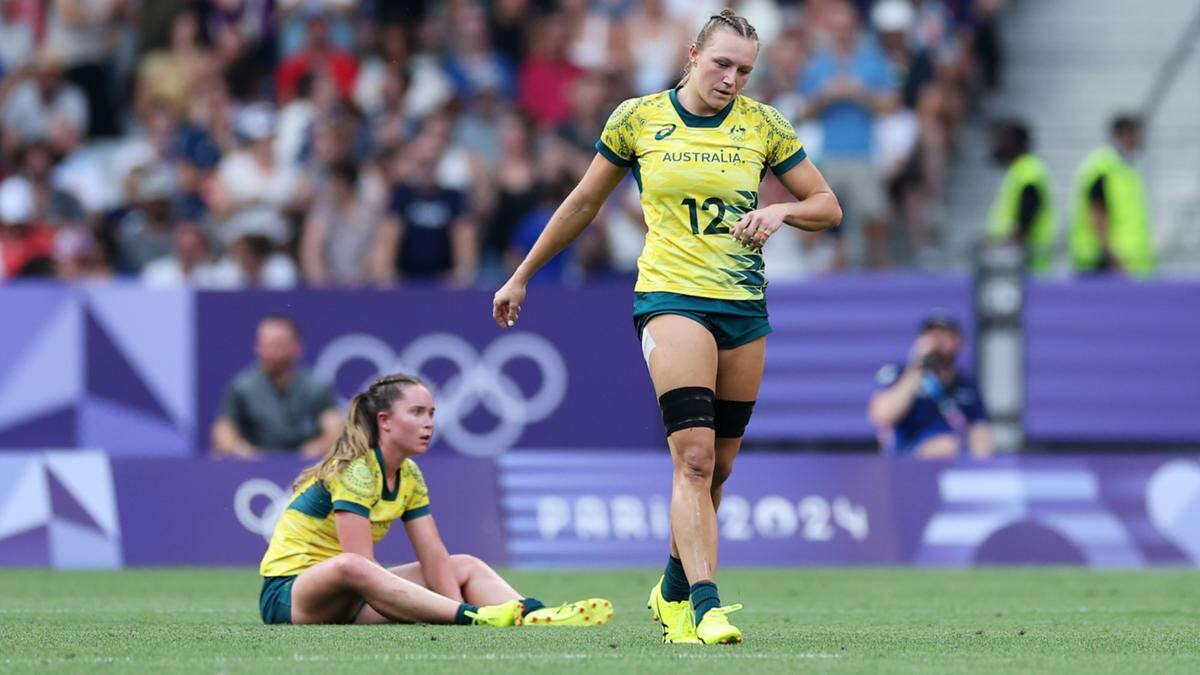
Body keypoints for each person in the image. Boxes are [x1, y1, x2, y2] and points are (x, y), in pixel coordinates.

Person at [492, 9, 841, 645]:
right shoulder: (637, 118)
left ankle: (673, 587)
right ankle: (704, 606)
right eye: (721, 64)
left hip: (742, 305)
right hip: (670, 297)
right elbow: (583, 203)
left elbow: (828, 206)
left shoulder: (764, 126)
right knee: (696, 457)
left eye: (743, 70)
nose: (731, 79)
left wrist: (783, 210)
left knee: (723, 467)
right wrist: (522, 275)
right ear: (691, 54)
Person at [258, 372, 612, 627]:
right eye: (416, 413)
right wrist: (451, 612)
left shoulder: (408, 473)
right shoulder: (358, 472)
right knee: (355, 565)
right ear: (385, 421)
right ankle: (472, 617)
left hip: (351, 600)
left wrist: (451, 601)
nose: (429, 424)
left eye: (431, 414)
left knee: (464, 565)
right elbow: (360, 568)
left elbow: (433, 556)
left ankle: (533, 615)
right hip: (291, 597)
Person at [868, 311, 993, 459]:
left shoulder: (967, 386)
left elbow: (980, 429)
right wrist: (917, 367)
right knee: (945, 446)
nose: (937, 342)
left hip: (954, 460)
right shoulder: (898, 374)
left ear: (958, 341)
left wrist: (980, 464)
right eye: (932, 335)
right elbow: (882, 415)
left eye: (944, 335)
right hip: (906, 461)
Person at [212, 316, 342, 458]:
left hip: (307, 469)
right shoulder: (242, 386)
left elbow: (335, 430)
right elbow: (223, 431)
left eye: (278, 345)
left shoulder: (316, 387)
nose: (271, 353)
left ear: (296, 348)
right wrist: (241, 450)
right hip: (254, 468)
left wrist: (317, 447)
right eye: (265, 345)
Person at [1069, 114, 1155, 277]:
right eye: (1137, 135)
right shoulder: (1103, 168)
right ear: (1126, 134)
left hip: (1124, 262)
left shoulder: (1123, 167)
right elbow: (1097, 214)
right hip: (1104, 263)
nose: (1141, 141)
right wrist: (1111, 258)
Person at [986, 119, 1055, 275]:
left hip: (1023, 265)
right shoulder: (1020, 170)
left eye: (1001, 139)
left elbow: (1025, 218)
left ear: (1013, 142)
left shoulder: (1028, 172)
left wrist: (1004, 250)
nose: (995, 145)